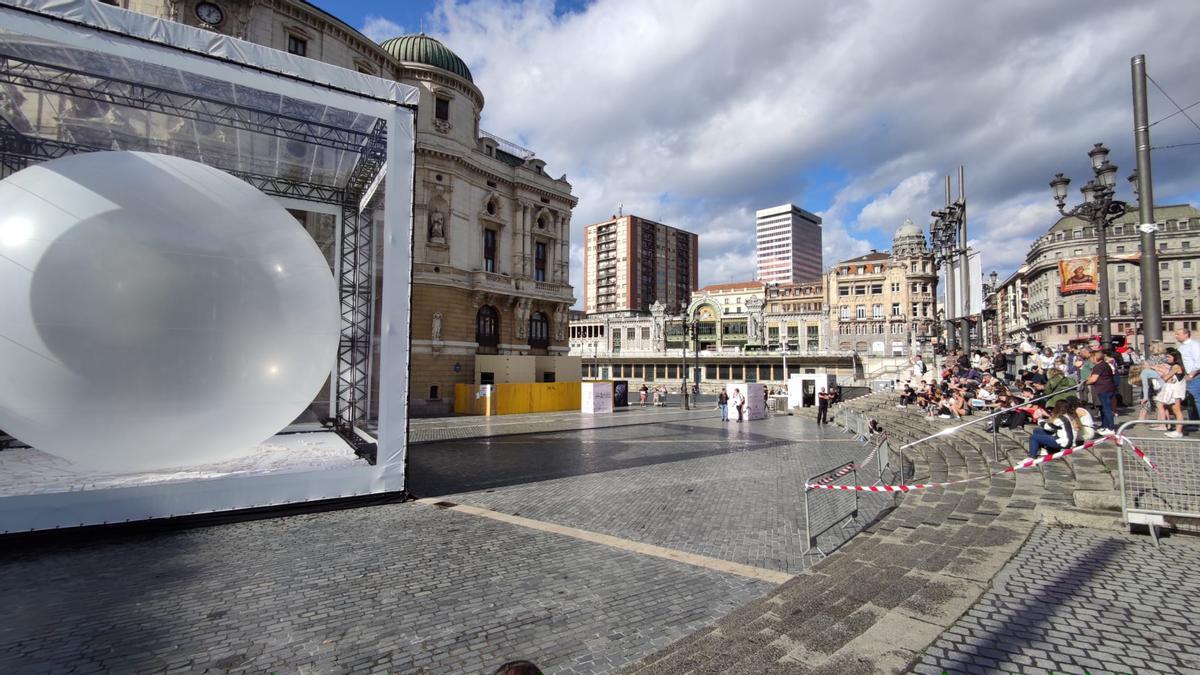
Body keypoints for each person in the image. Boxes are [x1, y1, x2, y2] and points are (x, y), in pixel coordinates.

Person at [1157, 348, 1188, 438]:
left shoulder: (1176, 366)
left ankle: (1178, 431)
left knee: (1177, 411)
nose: (1168, 358)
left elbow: (1165, 378)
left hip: (1176, 392)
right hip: (1175, 391)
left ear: (1175, 357)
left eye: (1169, 357)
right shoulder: (1176, 366)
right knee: (1174, 410)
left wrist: (1164, 376)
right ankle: (1178, 429)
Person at [1086, 350, 1117, 433]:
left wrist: (1086, 382)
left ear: (1095, 357)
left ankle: (1111, 428)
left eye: (1091, 358)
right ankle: (1105, 426)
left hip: (1104, 389)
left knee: (1107, 409)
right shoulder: (1105, 365)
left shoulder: (1098, 366)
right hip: (1109, 388)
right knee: (1104, 408)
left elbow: (1093, 379)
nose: (1090, 360)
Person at [1175, 327, 1200, 421]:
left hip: (1195, 376)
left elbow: (1198, 362)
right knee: (1190, 401)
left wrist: (1191, 374)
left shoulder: (1194, 345)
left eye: (1178, 334)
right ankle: (1194, 422)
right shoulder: (1181, 346)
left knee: (1197, 399)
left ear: (1186, 334)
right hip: (1186, 376)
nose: (1176, 336)